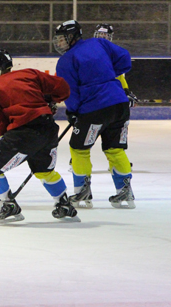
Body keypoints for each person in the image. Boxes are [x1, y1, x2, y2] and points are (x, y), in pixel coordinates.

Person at [0, 49, 78, 223]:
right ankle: (64, 205)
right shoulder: (29, 74)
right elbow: (62, 87)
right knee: (45, 171)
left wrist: (15, 139)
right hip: (48, 129)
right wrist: (51, 100)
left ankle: (8, 204)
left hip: (23, 134)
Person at [53, 19, 135, 209]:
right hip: (120, 104)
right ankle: (125, 191)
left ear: (72, 37)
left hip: (95, 109)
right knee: (115, 149)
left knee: (79, 148)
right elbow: (125, 58)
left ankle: (82, 191)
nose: (59, 43)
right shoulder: (99, 43)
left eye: (62, 38)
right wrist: (106, 74)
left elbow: (70, 91)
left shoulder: (66, 60)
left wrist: (73, 111)